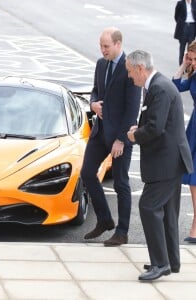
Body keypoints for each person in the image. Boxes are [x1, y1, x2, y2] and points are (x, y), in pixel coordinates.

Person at [126, 50, 193, 281]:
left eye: (130, 71)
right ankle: (170, 261)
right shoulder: (156, 85)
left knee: (148, 207)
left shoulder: (160, 88)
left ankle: (160, 263)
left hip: (166, 163)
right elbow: (155, 121)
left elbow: (155, 127)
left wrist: (135, 135)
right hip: (169, 161)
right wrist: (139, 128)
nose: (130, 76)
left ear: (140, 68)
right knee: (167, 214)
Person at [81, 27, 141, 246]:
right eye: (101, 45)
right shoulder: (100, 63)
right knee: (87, 173)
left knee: (121, 183)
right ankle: (105, 220)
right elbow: (95, 91)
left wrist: (121, 140)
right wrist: (93, 104)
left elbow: (133, 108)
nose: (102, 50)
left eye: (106, 46)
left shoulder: (130, 68)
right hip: (100, 131)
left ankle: (122, 232)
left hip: (119, 136)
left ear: (118, 44)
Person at [173, 40, 196, 243]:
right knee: (193, 178)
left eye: (195, 59)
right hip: (194, 129)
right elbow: (174, 86)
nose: (193, 62)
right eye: (191, 58)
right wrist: (183, 64)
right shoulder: (193, 74)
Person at [174, 0, 196, 65]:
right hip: (183, 27)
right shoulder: (180, 3)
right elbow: (176, 16)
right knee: (182, 48)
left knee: (190, 48)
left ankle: (189, 65)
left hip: (192, 27)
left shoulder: (195, 3)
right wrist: (181, 23)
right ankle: (181, 64)